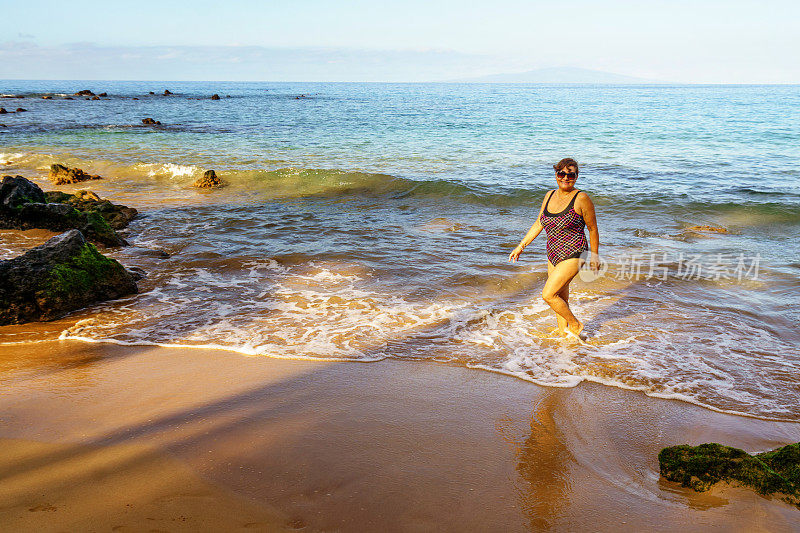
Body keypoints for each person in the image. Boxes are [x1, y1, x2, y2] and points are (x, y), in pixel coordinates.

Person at [508, 158, 600, 341]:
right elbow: (539, 222)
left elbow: (592, 228)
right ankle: (564, 336)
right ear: (556, 175)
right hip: (553, 252)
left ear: (576, 176)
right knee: (560, 297)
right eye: (561, 173)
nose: (566, 178)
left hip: (575, 252)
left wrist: (595, 256)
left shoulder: (581, 198)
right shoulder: (549, 195)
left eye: (571, 174)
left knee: (548, 294)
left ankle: (575, 324)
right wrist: (521, 246)